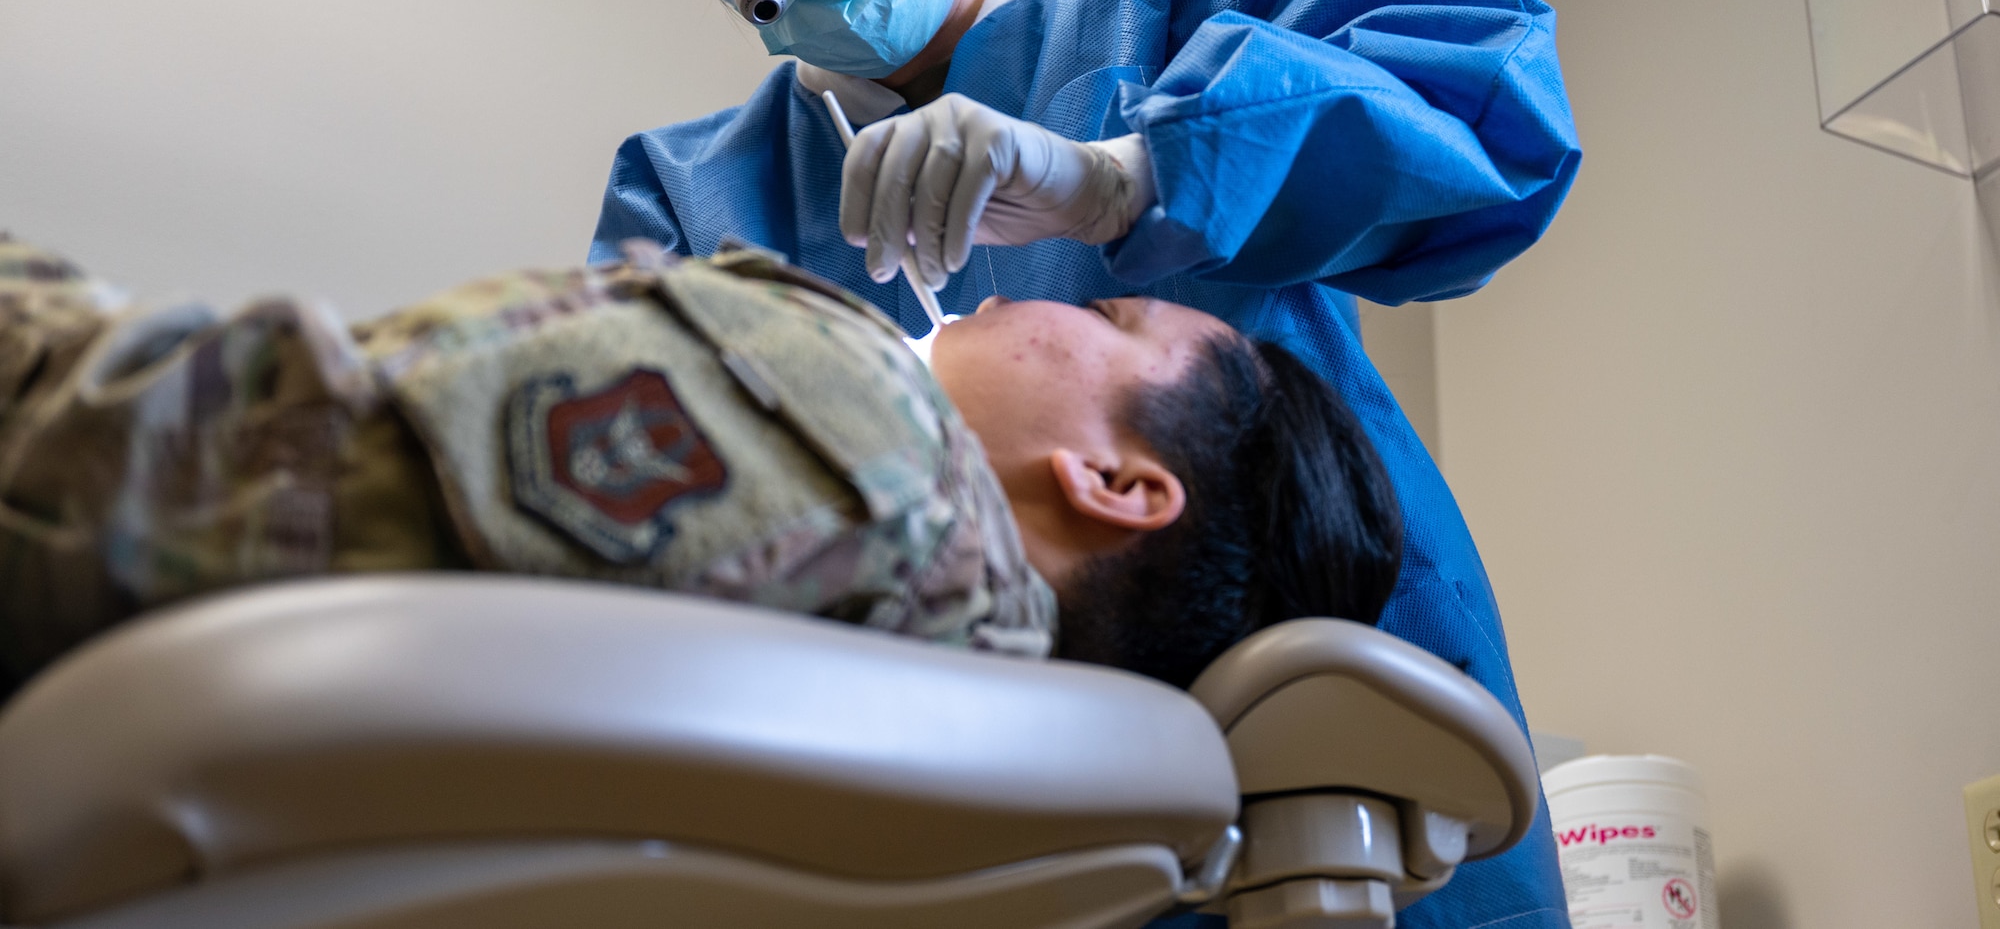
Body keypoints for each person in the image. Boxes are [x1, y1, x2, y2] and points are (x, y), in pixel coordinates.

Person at [584, 0, 1582, 929]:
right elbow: (645, 551)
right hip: (965, 861)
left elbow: (1497, 108)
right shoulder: (690, 205)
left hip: (1357, 803)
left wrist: (1132, 175)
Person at [0, 234, 1400, 699]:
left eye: (1103, 319)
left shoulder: (859, 435)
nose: (1024, 298)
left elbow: (126, 481)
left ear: (1118, 482)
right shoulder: (973, 687)